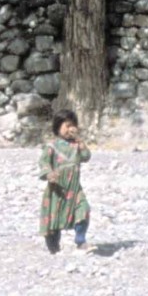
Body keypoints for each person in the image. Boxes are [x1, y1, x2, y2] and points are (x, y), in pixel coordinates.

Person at [39, 108, 91, 254]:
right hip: (58, 190)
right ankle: (53, 247)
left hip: (74, 188)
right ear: (58, 127)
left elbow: (86, 157)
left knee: (84, 209)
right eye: (67, 126)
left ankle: (81, 241)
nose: (71, 129)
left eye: (73, 125)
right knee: (54, 219)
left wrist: (81, 143)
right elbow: (43, 163)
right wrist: (49, 174)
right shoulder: (51, 147)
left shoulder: (76, 145)